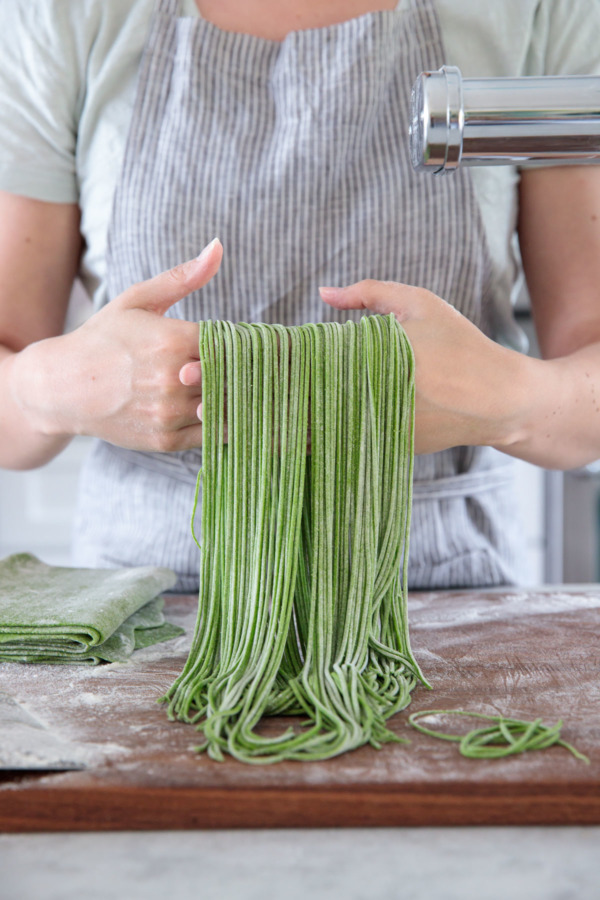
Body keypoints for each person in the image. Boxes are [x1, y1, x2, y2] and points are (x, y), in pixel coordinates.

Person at [1, 0, 599, 591]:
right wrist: (55, 388)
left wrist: (502, 398)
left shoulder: (538, 12)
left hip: (449, 586)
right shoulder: (61, 15)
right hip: (141, 594)